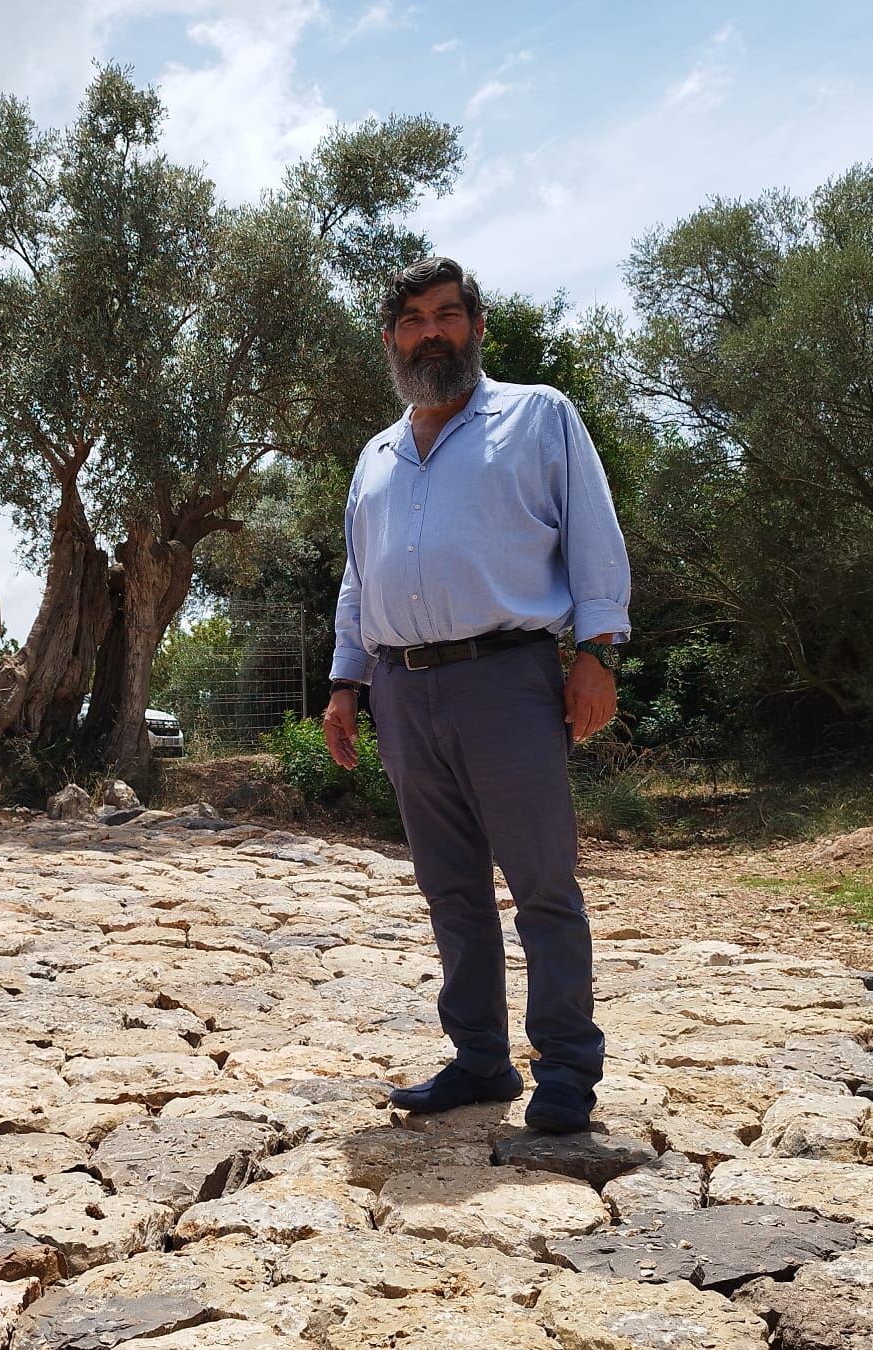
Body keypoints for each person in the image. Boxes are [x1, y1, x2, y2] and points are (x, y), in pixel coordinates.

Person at [325, 255, 630, 1130]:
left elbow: (593, 538)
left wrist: (598, 649)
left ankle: (568, 1069)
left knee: (541, 881)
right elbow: (358, 578)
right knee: (450, 888)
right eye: (413, 319)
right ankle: (480, 1060)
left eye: (446, 314)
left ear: (476, 325)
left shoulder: (538, 417)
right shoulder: (376, 457)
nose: (432, 332)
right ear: (391, 340)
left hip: (508, 679)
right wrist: (346, 684)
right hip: (404, 691)